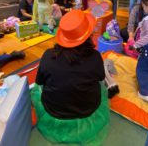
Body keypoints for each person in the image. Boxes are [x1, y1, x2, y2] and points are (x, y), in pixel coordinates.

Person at [31, 10, 109, 145]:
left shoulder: (48, 56)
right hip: (87, 109)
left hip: (54, 110)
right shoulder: (96, 57)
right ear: (88, 35)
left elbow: (39, 83)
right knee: (100, 85)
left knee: (39, 87)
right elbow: (101, 79)